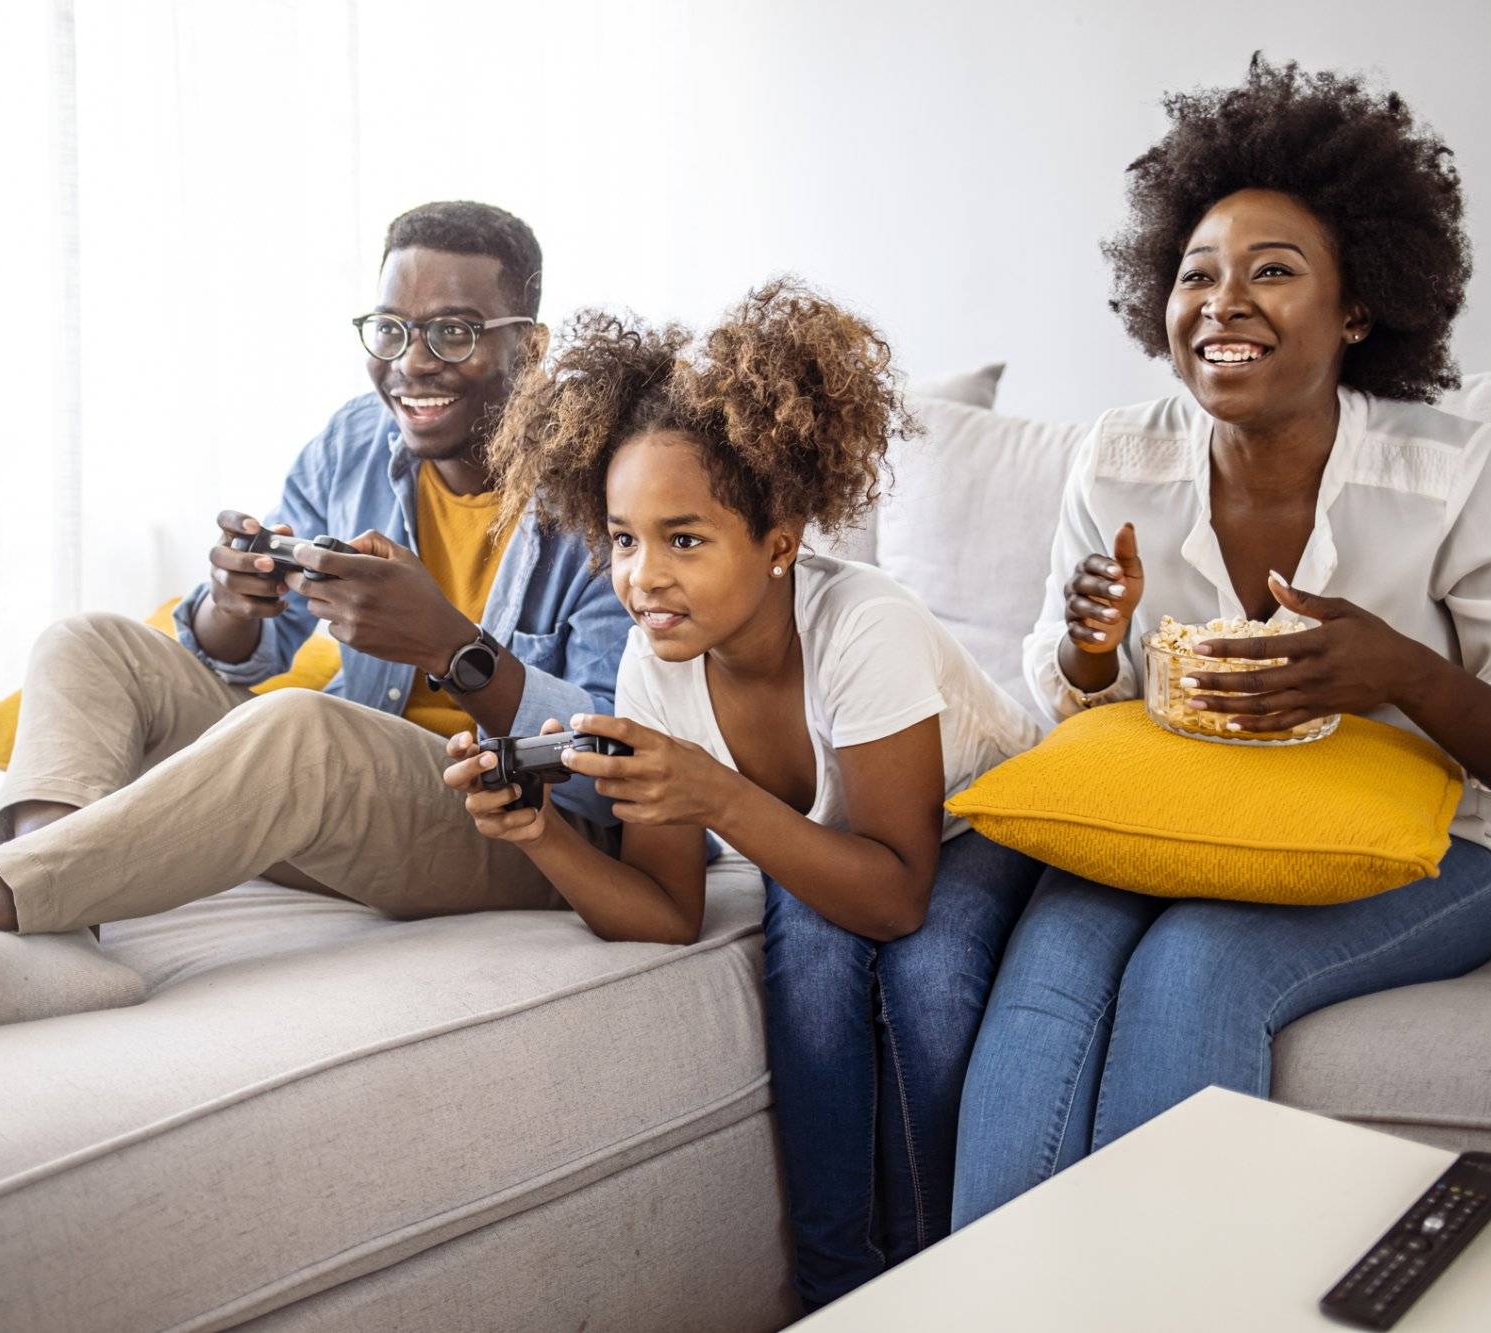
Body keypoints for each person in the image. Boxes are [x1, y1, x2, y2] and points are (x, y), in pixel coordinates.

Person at [0, 201, 632, 1069]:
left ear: (528, 348)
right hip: (349, 798)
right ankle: (57, 940)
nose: (412, 362)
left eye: (454, 332)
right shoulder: (351, 441)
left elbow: (610, 761)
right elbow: (248, 646)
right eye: (390, 327)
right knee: (88, 642)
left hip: (513, 826)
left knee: (298, 727)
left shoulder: (600, 494)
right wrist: (230, 608)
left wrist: (450, 646)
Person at [949, 58, 1491, 1226]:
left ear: (1354, 308)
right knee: (1046, 973)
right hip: (1177, 816)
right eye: (1195, 272)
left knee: (1192, 968)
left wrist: (1397, 671)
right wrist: (1093, 651)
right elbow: (1072, 709)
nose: (1222, 301)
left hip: (1430, 847)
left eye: (1272, 271)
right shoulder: (1117, 456)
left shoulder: (1448, 470)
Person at [440, 281, 1044, 1310]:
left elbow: (898, 895)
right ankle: (833, 1292)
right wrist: (540, 832)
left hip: (977, 825)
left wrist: (714, 793)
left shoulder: (864, 626)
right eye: (623, 539)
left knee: (927, 985)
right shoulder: (654, 664)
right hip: (837, 848)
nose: (643, 579)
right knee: (807, 968)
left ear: (777, 540)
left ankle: (937, 1284)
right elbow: (668, 912)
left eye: (684, 538)